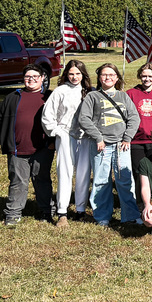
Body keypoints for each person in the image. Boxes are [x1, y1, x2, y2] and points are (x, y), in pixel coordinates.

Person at [78, 63, 141, 227]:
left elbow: (134, 118)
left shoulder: (123, 96)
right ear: (99, 78)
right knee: (101, 181)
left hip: (121, 145)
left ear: (117, 78)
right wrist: (98, 137)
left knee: (125, 180)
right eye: (104, 75)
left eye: (111, 75)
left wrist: (127, 137)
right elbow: (84, 118)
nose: (108, 78)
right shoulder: (92, 97)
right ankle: (102, 216)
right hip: (101, 145)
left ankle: (130, 215)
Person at [0, 64, 54, 227]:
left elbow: (60, 119)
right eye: (28, 76)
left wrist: (52, 142)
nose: (31, 79)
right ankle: (13, 214)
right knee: (17, 181)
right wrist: (5, 140)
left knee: (42, 180)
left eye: (35, 76)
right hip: (17, 149)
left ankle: (46, 211)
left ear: (42, 78)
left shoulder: (49, 97)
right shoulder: (13, 97)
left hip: (43, 148)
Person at [41, 59, 92, 226]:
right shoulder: (60, 91)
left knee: (84, 173)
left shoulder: (90, 92)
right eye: (71, 74)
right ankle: (62, 211)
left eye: (78, 73)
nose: (74, 77)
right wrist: (57, 132)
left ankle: (80, 210)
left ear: (83, 74)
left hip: (86, 137)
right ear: (66, 75)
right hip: (65, 135)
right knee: (64, 172)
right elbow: (48, 115)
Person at [126, 63, 152, 170]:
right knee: (138, 170)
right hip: (136, 140)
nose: (147, 79)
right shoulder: (130, 94)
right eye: (144, 76)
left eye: (150, 76)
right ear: (140, 76)